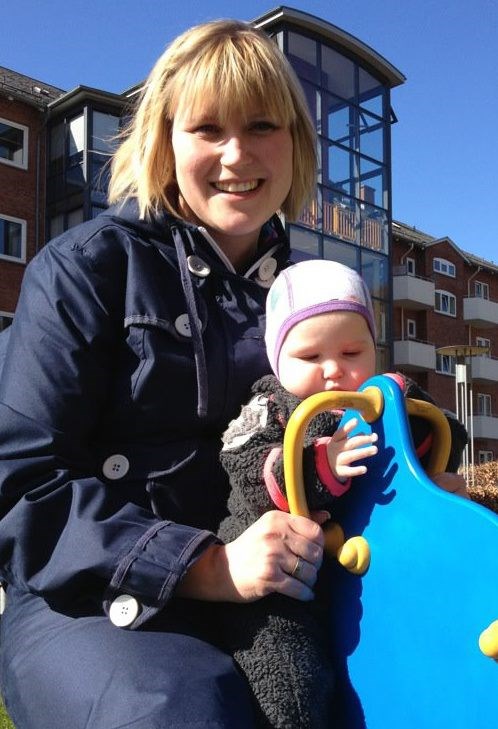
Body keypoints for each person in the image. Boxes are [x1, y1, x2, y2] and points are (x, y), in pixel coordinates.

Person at [0, 20, 323, 729]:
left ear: (295, 142)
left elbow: (364, 414)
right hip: (93, 600)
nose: (236, 154)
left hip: (277, 593)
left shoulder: (314, 291)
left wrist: (426, 467)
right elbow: (23, 482)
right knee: (183, 714)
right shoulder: (85, 267)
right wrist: (208, 566)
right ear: (165, 141)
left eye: (262, 125)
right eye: (207, 128)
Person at [217, 259, 468, 728]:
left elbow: (446, 429)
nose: (333, 370)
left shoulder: (385, 396)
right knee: (289, 677)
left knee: (409, 649)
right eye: (310, 357)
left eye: (352, 352)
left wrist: (431, 475)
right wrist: (319, 464)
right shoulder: (269, 407)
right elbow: (250, 469)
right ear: (277, 359)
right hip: (283, 582)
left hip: (371, 566)